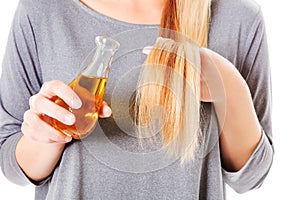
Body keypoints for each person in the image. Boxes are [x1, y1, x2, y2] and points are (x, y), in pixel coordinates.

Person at [0, 0, 273, 199]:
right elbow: (12, 168)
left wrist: (230, 87)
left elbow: (251, 177)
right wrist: (46, 134)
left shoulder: (239, 18)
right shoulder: (41, 11)